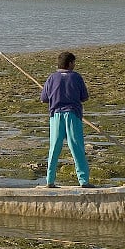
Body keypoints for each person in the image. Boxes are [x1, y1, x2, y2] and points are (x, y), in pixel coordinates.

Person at [40, 52, 93, 188]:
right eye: (73, 63)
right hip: (72, 115)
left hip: (56, 116)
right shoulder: (76, 77)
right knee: (77, 148)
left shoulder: (51, 78)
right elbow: (84, 97)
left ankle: (50, 181)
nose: (74, 65)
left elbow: (44, 99)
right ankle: (84, 182)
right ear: (69, 63)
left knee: (54, 149)